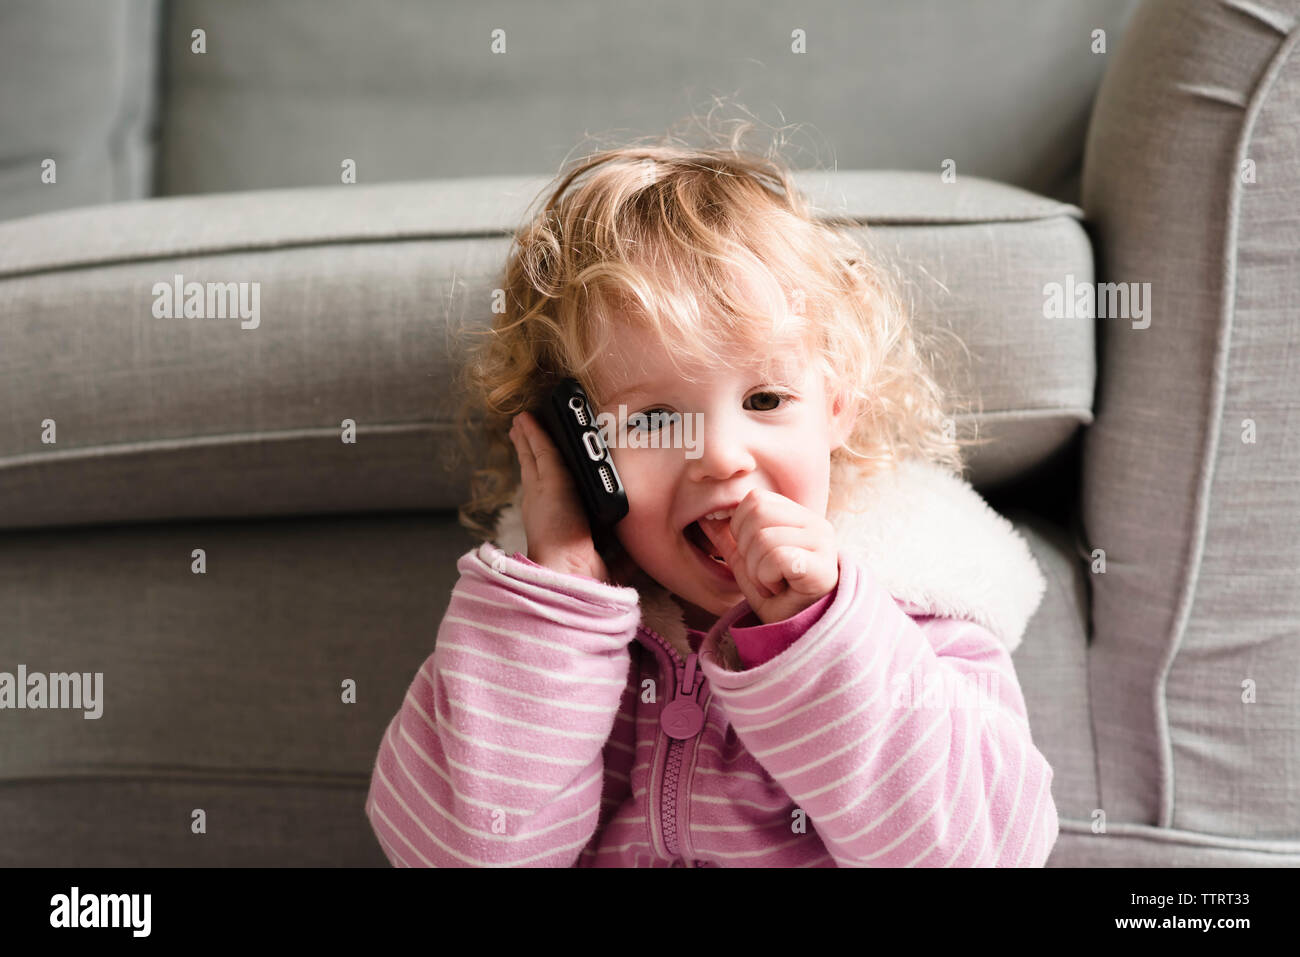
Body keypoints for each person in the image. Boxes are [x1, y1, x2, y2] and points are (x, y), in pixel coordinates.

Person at [365, 129, 1058, 867]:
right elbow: (452, 852)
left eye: (764, 397)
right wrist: (558, 601)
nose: (722, 456)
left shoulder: (919, 611)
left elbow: (981, 852)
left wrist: (820, 637)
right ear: (577, 447)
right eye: (658, 419)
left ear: (837, 406)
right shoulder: (539, 628)